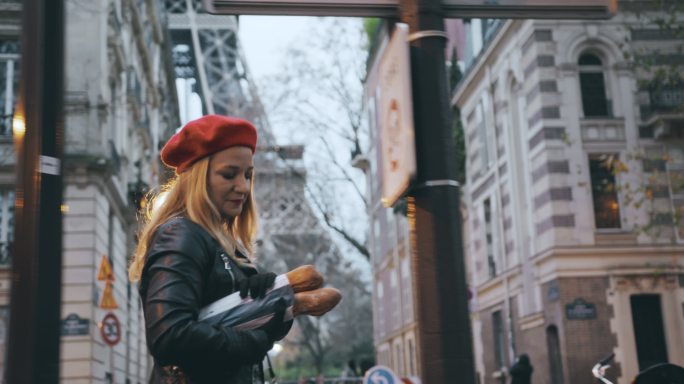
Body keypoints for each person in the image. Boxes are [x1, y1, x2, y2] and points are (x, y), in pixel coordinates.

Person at [128, 115, 292, 383]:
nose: (243, 186)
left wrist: (265, 300)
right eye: (229, 174)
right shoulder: (182, 235)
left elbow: (219, 320)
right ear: (198, 179)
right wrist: (251, 342)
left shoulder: (219, 243)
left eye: (248, 175)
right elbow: (169, 335)